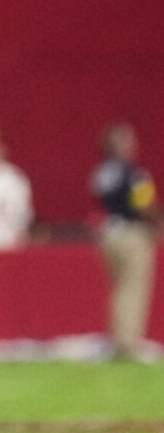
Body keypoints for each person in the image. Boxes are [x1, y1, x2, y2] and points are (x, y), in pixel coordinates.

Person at [93, 122, 157, 361]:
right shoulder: (133, 173)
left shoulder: (102, 172)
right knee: (133, 287)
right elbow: (144, 203)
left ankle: (118, 338)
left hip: (109, 232)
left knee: (119, 289)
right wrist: (157, 224)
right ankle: (128, 344)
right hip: (131, 232)